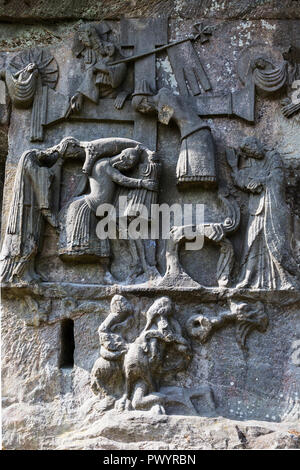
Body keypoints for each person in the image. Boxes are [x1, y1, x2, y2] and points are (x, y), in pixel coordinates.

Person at [228, 136, 300, 289]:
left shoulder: (273, 156)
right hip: (256, 208)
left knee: (276, 243)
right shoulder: (251, 160)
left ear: (257, 143)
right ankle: (247, 278)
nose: (253, 155)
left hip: (273, 207)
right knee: (252, 242)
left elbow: (278, 178)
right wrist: (235, 168)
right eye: (250, 154)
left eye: (253, 151)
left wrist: (260, 181)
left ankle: (285, 279)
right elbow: (241, 181)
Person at [132, 79, 217, 188]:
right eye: (141, 111)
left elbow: (165, 119)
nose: (144, 111)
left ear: (145, 99)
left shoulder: (164, 95)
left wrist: (158, 111)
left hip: (196, 133)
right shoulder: (161, 101)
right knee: (185, 173)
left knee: (193, 171)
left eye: (142, 108)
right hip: (190, 134)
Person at [0, 146, 60, 283]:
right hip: (26, 209)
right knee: (26, 240)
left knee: (34, 240)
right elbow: (39, 176)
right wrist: (50, 171)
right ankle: (16, 274)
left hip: (33, 208)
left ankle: (28, 270)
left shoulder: (36, 163)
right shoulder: (30, 158)